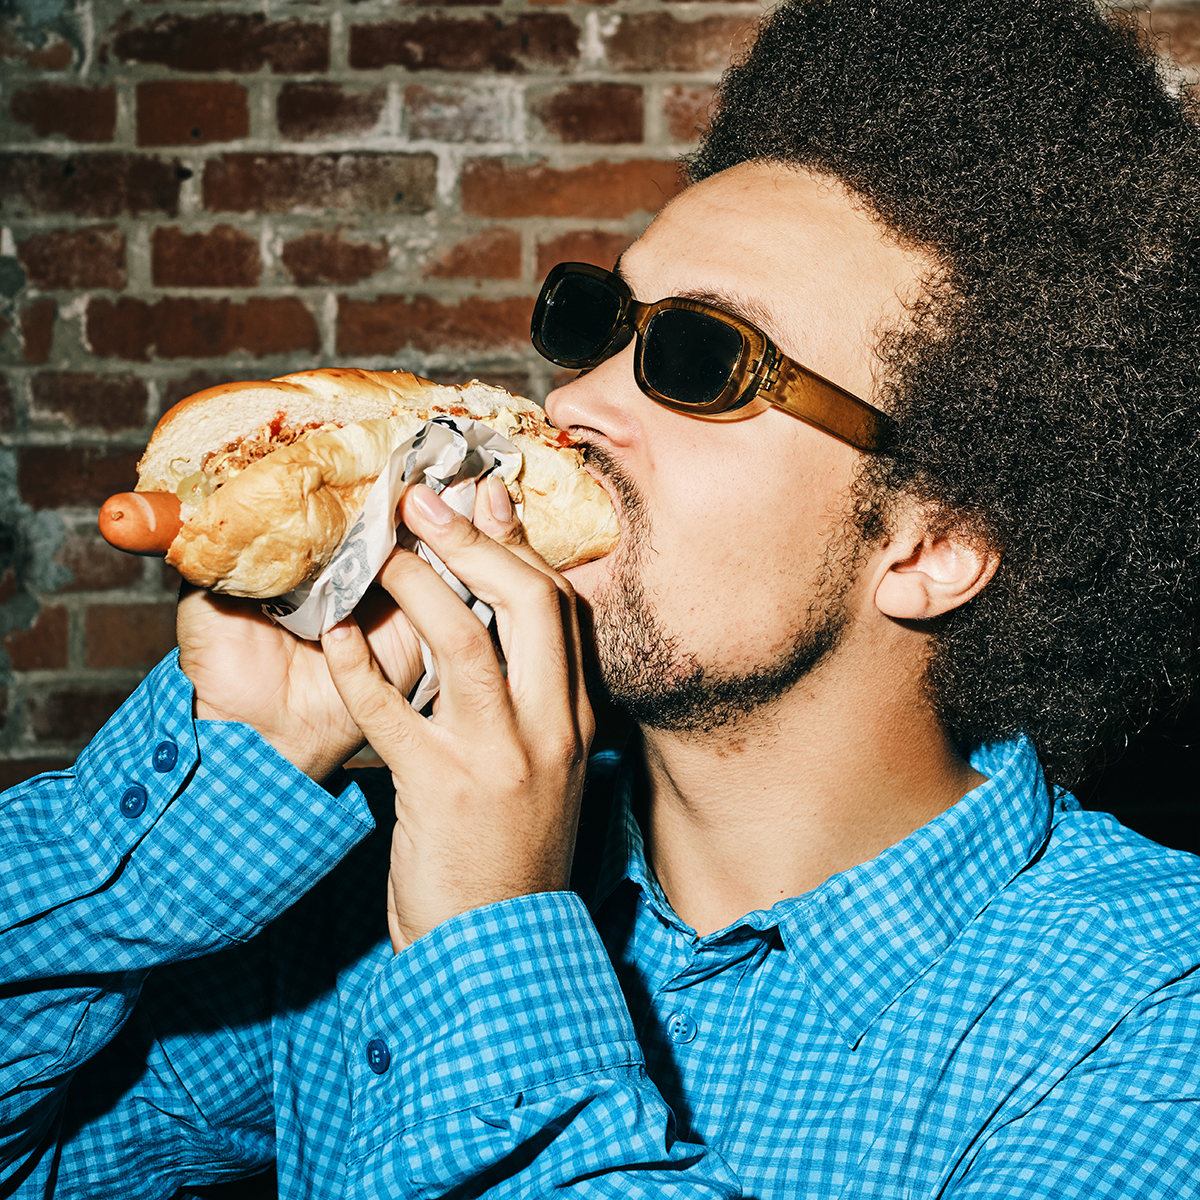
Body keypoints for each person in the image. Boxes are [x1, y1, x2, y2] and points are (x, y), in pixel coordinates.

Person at [4, 0, 1200, 1194]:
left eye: (703, 359)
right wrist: (228, 772)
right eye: (601, 322)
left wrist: (486, 942)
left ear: (932, 542)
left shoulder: (1149, 1012)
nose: (574, 405)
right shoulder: (357, 904)